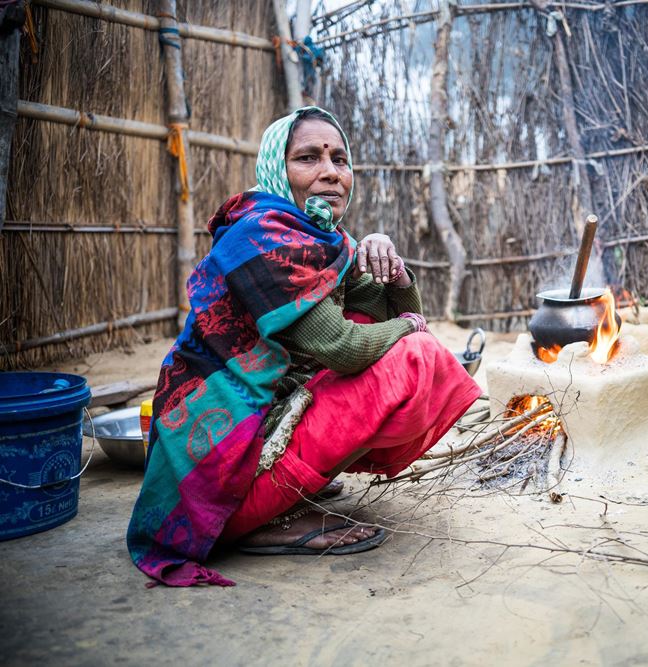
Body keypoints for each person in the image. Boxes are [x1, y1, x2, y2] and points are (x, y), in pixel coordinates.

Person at [127, 106, 482, 587]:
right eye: (308, 158)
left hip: (248, 444)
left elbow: (376, 310)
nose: (329, 173)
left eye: (339, 159)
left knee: (381, 326)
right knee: (416, 357)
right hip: (214, 485)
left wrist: (394, 271)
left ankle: (289, 484)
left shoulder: (320, 240)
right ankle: (261, 520)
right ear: (278, 168)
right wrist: (412, 326)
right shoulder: (261, 238)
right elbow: (343, 346)